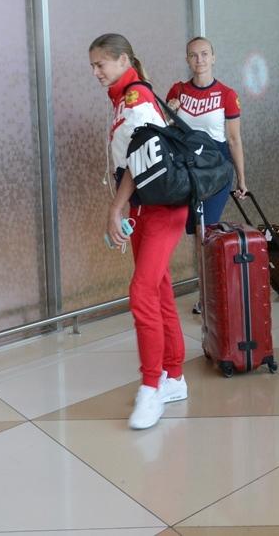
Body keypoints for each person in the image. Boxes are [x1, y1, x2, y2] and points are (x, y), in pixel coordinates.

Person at [91, 33, 189, 431]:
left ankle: (151, 388)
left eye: (100, 64)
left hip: (163, 210)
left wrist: (116, 208)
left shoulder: (135, 98)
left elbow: (141, 154)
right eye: (93, 66)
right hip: (146, 210)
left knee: (142, 292)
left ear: (122, 60)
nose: (96, 72)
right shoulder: (122, 98)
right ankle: (174, 377)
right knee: (160, 288)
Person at [167, 37, 247, 314]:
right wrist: (170, 113)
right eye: (193, 55)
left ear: (213, 57)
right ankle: (210, 291)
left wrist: (242, 179)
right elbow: (166, 132)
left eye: (204, 54)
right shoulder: (177, 91)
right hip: (188, 171)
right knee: (196, 234)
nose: (199, 60)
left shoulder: (227, 93)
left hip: (216, 171)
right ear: (187, 60)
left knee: (206, 231)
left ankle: (210, 295)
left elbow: (234, 140)